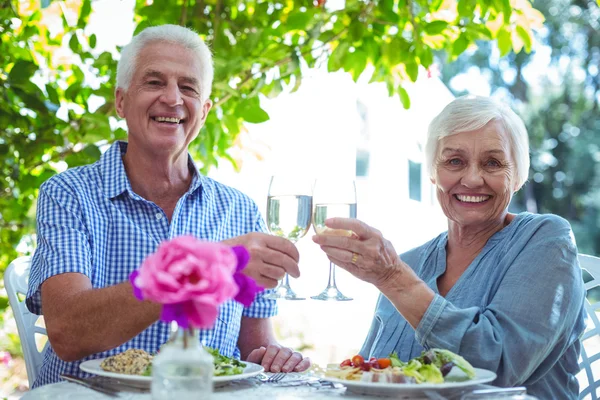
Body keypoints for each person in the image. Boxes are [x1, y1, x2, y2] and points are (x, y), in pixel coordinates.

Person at [26, 24, 310, 387]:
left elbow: (256, 349)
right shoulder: (69, 193)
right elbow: (69, 332)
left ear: (204, 111)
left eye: (188, 87)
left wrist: (275, 356)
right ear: (121, 101)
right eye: (154, 82)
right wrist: (204, 265)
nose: (173, 99)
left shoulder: (239, 211)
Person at [312, 95, 586, 399]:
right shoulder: (408, 262)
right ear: (432, 172)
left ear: (518, 176)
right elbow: (368, 375)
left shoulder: (546, 238)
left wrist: (394, 280)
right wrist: (297, 370)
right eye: (455, 161)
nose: (472, 179)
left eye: (493, 163)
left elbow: (496, 370)